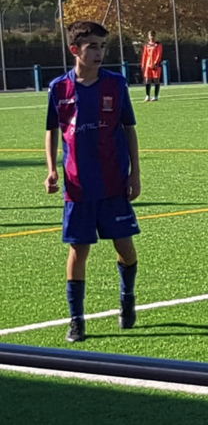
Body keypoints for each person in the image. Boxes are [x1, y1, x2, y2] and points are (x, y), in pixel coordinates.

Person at [45, 20, 142, 342]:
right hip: (78, 185)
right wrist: (51, 169)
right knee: (78, 251)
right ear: (75, 50)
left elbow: (129, 128)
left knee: (125, 249)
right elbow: (52, 130)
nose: (99, 53)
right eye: (92, 47)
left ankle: (126, 300)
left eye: (103, 47)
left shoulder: (116, 84)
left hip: (113, 182)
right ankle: (77, 319)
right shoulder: (59, 88)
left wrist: (135, 173)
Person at [140, 31, 163, 101]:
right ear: (148, 36)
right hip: (148, 65)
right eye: (150, 35)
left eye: (153, 35)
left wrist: (156, 63)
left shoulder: (158, 45)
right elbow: (144, 55)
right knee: (147, 79)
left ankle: (156, 96)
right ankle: (147, 96)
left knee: (156, 80)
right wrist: (143, 64)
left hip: (155, 65)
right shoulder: (146, 45)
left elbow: (159, 54)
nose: (151, 37)